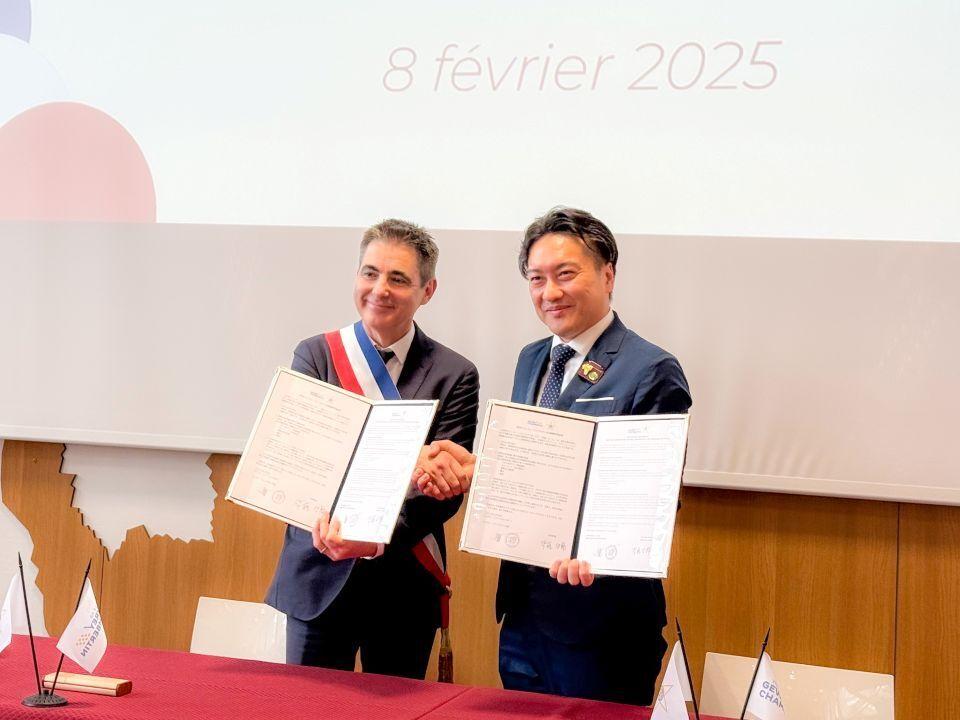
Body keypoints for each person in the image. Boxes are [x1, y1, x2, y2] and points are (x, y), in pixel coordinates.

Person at [494, 207, 692, 705]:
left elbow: (653, 500)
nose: (550, 292)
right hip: (523, 613)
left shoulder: (651, 369)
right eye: (536, 279)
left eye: (566, 274)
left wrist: (601, 552)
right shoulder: (531, 358)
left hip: (601, 619)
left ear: (607, 275)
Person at [266, 219, 479, 680]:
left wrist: (377, 541)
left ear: (428, 290)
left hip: (404, 584)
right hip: (317, 574)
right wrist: (409, 460)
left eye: (398, 278)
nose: (379, 289)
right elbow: (304, 460)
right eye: (369, 273)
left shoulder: (455, 373)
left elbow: (444, 492)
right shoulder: (316, 355)